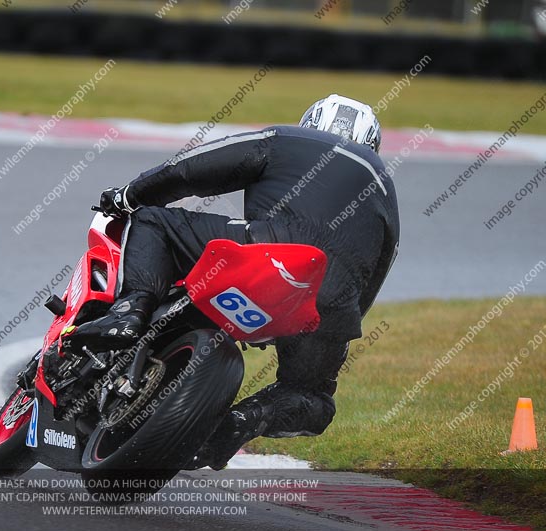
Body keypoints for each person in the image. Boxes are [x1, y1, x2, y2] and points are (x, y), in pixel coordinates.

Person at [68, 94, 400, 469]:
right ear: (372, 144)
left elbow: (190, 169)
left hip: (266, 249)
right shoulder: (387, 191)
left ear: (309, 123)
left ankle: (129, 311)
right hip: (330, 300)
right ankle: (242, 422)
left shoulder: (288, 138)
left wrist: (130, 195)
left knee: (151, 220)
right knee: (314, 398)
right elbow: (375, 275)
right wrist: (326, 321)